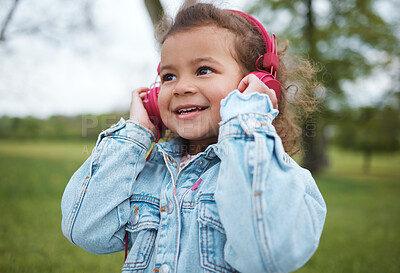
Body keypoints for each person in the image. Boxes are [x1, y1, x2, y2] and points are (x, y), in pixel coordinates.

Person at [61, 3, 326, 273]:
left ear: (255, 84)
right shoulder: (147, 172)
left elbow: (269, 252)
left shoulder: (281, 177)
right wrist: (135, 133)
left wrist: (246, 121)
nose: (181, 87)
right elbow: (84, 229)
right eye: (168, 76)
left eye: (203, 70)